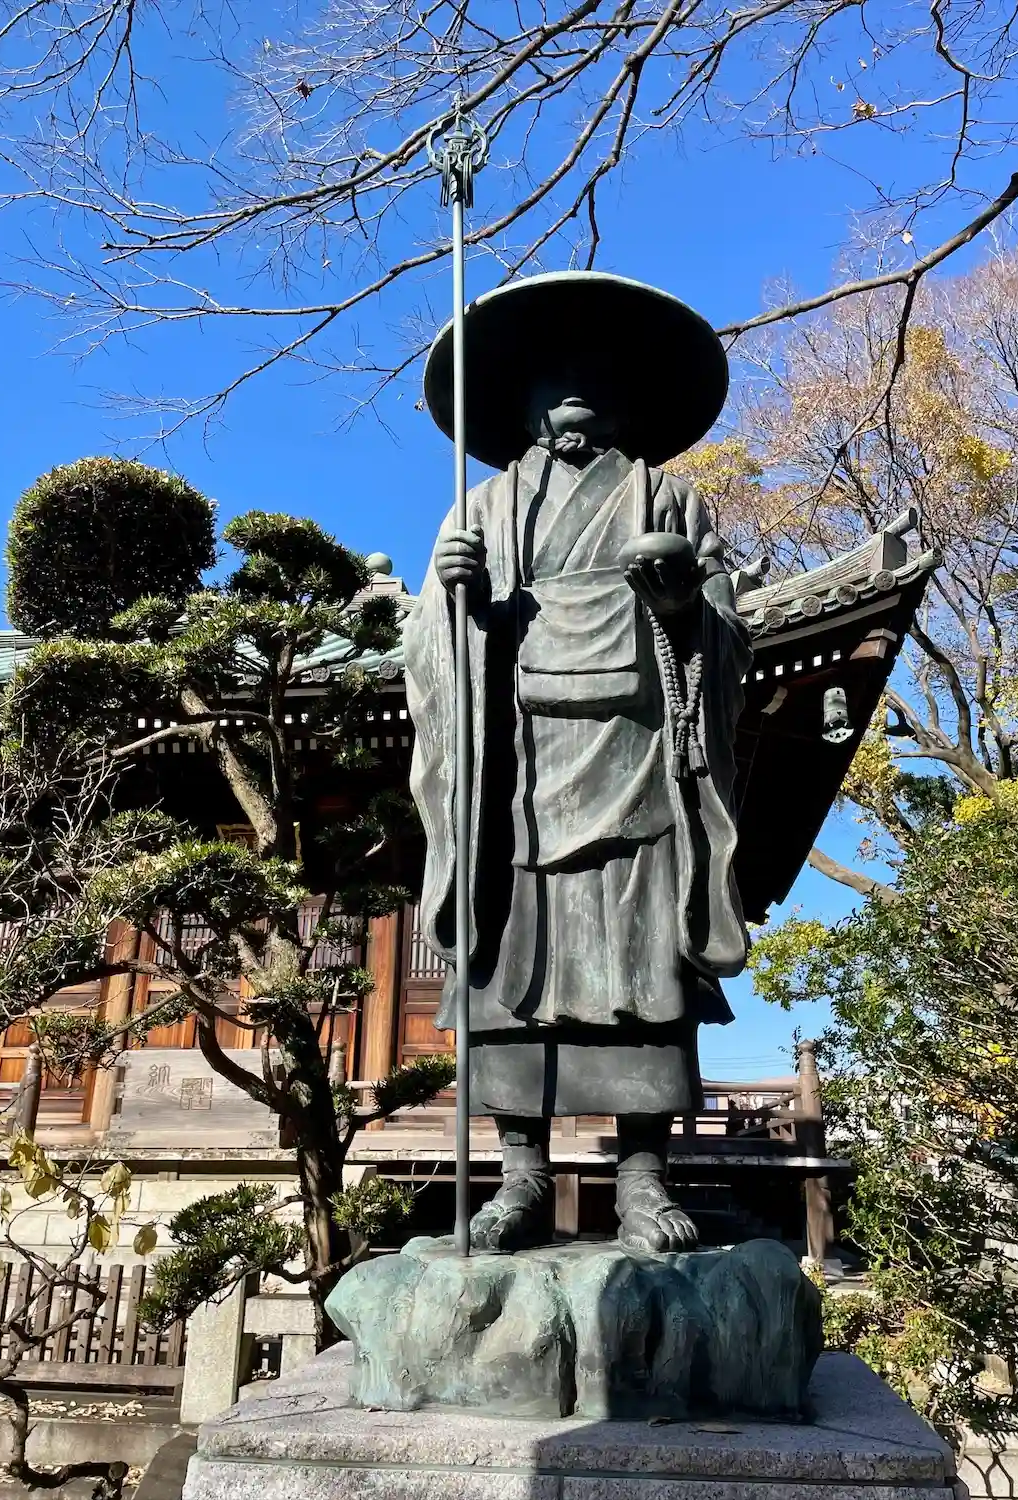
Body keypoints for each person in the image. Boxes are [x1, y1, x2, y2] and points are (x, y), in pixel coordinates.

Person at [403, 272, 752, 1253]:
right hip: (518, 761)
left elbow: (729, 637)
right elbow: (427, 653)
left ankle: (642, 1175)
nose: (572, 395)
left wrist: (681, 607)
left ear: (627, 403)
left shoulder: (668, 499)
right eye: (552, 382)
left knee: (642, 959)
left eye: (593, 380)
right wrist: (457, 606)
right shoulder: (482, 507)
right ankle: (520, 1173)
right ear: (520, 405)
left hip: (637, 750)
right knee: (515, 961)